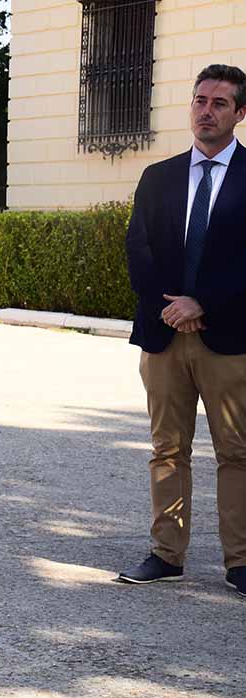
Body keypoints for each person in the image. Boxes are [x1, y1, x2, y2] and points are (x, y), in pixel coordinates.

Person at [117, 63, 246, 598]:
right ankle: (166, 555)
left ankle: (241, 563)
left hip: (230, 339)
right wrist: (171, 307)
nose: (206, 111)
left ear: (240, 113)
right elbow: (138, 248)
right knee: (166, 448)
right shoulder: (159, 177)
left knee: (237, 453)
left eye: (219, 103)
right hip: (163, 334)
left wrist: (203, 303)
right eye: (199, 100)